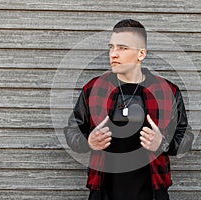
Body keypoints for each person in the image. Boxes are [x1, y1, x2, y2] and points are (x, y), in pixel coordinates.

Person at [64, 19, 188, 200]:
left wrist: (163, 145)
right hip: (103, 192)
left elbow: (185, 135)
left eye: (122, 48)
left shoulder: (168, 91)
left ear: (141, 54)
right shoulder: (93, 89)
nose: (113, 54)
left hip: (153, 192)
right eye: (111, 47)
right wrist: (88, 142)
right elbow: (72, 130)